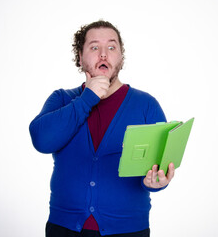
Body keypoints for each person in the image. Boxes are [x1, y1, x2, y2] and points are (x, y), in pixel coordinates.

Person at [29, 20, 175, 237]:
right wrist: (87, 98)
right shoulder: (62, 99)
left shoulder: (146, 105)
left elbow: (160, 166)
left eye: (112, 47)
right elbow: (42, 141)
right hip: (64, 229)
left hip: (128, 230)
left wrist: (156, 182)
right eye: (94, 47)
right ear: (80, 57)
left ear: (121, 56)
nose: (104, 54)